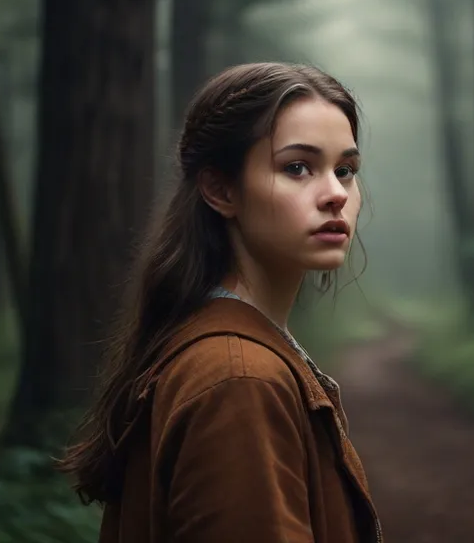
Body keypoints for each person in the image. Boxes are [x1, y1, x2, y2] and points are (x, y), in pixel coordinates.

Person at [57, 62, 383, 543]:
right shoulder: (239, 379)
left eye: (346, 170)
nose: (336, 194)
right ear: (220, 189)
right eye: (297, 167)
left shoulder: (224, 354)